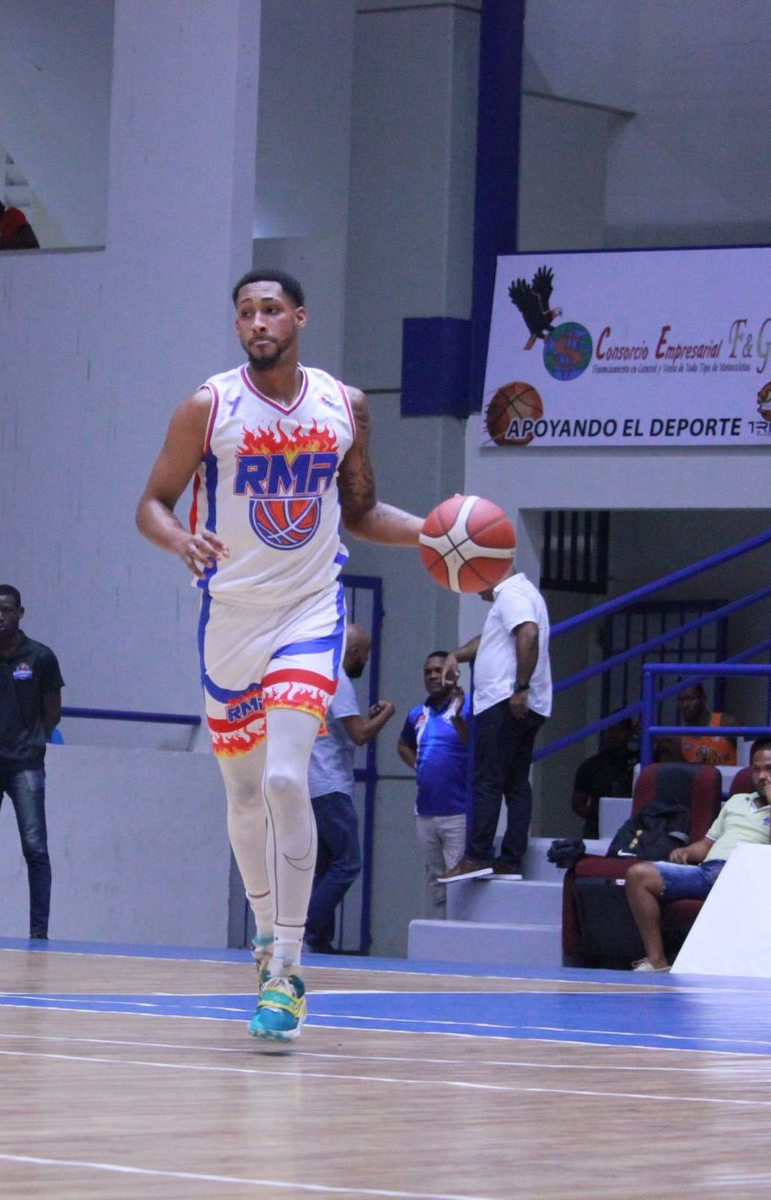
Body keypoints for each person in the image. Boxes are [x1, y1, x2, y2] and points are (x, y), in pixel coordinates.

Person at [135, 269, 422, 1041]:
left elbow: (361, 512)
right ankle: (265, 937)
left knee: (289, 778)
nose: (257, 322)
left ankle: (289, 969)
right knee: (243, 796)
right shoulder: (208, 406)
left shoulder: (344, 404)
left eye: (270, 310)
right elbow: (151, 503)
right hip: (232, 616)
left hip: (310, 610)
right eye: (245, 313)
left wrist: (436, 534)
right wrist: (178, 539)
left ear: (299, 317)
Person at [624, 738, 771, 972]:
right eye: (757, 769)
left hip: (752, 879)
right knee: (638, 874)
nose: (762, 776)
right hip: (707, 872)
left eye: (770, 769)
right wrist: (686, 851)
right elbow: (707, 844)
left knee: (726, 874)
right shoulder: (736, 801)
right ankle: (657, 961)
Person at [0, 585, 63, 940]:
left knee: (35, 849)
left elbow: (53, 711)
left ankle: (39, 933)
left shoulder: (41, 658)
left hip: (25, 767)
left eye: (6, 610)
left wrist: (32, 743)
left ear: (21, 612)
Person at [437, 566, 553, 883]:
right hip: (520, 703)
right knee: (515, 783)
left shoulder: (512, 594)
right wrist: (455, 655)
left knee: (487, 780)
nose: (477, 592)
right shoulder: (521, 593)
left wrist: (520, 688)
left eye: (476, 582)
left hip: (504, 702)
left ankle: (477, 857)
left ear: (490, 573)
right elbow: (490, 641)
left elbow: (528, 633)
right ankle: (510, 860)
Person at [305, 622, 395, 954]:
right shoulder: (339, 680)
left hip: (311, 784)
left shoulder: (318, 677)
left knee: (325, 865)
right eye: (366, 654)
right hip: (330, 786)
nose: (366, 660)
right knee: (348, 862)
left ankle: (319, 942)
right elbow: (360, 735)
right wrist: (387, 714)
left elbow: (343, 729)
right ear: (354, 651)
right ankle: (307, 928)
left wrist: (366, 718)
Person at [397, 650, 471, 918]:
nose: (432, 676)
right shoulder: (418, 713)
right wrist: (419, 766)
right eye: (427, 672)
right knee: (436, 883)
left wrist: (459, 717)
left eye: (438, 670)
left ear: (452, 673)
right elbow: (403, 744)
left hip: (458, 812)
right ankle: (438, 934)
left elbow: (475, 746)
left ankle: (459, 938)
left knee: (459, 883)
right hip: (426, 813)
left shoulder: (468, 707)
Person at [571, 717, 637, 840]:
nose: (613, 735)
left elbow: (670, 752)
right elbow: (577, 805)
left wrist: (645, 732)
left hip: (633, 829)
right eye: (610, 730)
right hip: (596, 831)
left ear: (629, 733)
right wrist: (600, 816)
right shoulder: (591, 765)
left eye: (619, 730)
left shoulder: (639, 761)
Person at [654, 682, 737, 767]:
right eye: (681, 700)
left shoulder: (725, 723)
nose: (685, 705)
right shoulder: (681, 738)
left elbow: (745, 751)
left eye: (690, 699)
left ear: (703, 699)